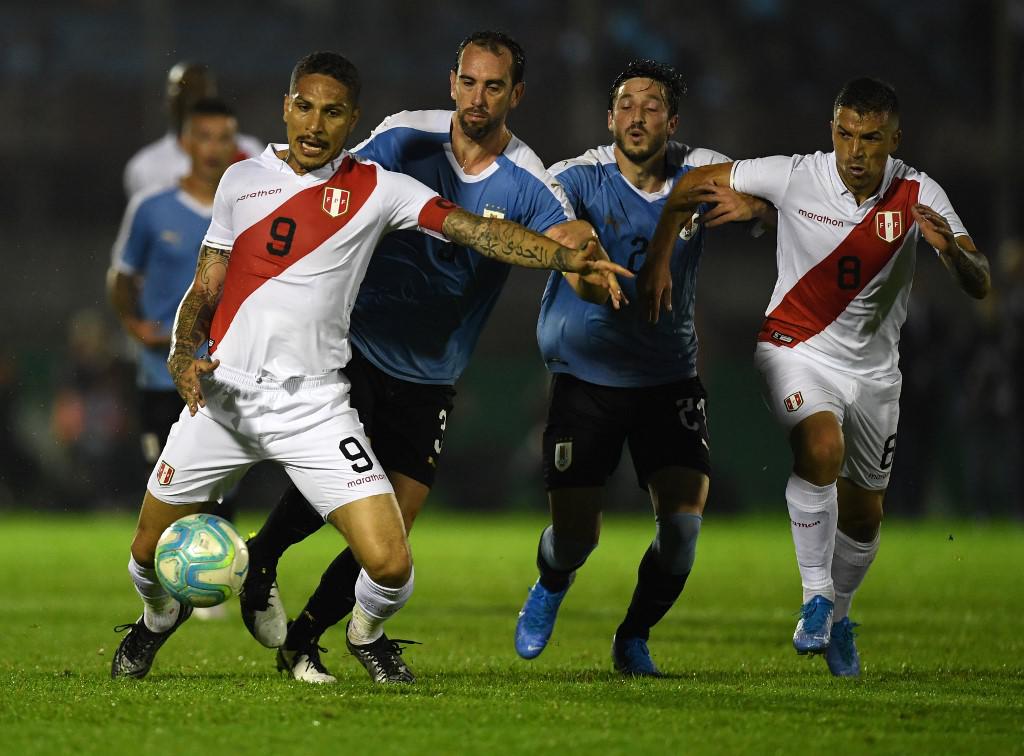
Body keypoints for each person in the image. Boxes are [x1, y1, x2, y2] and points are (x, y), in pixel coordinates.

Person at [109, 50, 628, 685]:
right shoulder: (241, 181)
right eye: (304, 106)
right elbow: (206, 283)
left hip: (315, 407)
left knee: (390, 564)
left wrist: (563, 258)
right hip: (224, 399)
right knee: (142, 554)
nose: (314, 124)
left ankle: (361, 633)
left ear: (353, 120)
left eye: (332, 112)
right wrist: (182, 350)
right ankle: (155, 621)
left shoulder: (381, 188)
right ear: (285, 106)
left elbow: (473, 231)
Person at [239, 31, 605, 683]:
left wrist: (585, 266)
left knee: (390, 536)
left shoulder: (528, 180)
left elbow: (563, 240)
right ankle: (262, 560)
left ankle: (304, 639)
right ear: (452, 82)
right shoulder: (406, 137)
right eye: (469, 81)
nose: (478, 97)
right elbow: (335, 186)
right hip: (355, 346)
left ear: (515, 95)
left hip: (433, 373)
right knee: (341, 493)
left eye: (494, 86)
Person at [643, 77, 989, 676]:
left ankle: (841, 617)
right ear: (832, 131)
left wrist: (953, 253)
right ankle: (815, 598)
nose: (855, 151)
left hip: (876, 375)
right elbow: (696, 184)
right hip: (793, 347)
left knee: (863, 516)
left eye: (871, 139)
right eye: (846, 135)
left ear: (894, 140)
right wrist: (661, 256)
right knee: (819, 446)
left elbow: (980, 278)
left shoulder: (917, 191)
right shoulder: (797, 173)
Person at [512, 59, 767, 677]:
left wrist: (755, 208)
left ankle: (633, 637)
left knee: (681, 534)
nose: (637, 115)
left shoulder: (701, 168)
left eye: (651, 105)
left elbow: (775, 190)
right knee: (576, 538)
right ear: (609, 117)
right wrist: (579, 256)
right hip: (584, 376)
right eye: (626, 104)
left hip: (668, 377)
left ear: (671, 121)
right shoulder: (575, 176)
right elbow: (546, 220)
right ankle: (550, 584)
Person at [110, 99, 244, 618]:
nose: (214, 149)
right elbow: (121, 276)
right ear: (186, 144)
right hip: (157, 369)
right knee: (163, 481)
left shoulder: (247, 204)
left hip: (222, 366)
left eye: (224, 138)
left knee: (220, 476)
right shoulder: (150, 207)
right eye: (204, 137)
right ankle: (171, 580)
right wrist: (131, 323)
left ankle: (212, 575)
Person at [123, 62, 264, 199]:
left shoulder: (251, 151)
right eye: (182, 90)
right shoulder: (145, 166)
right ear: (168, 101)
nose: (191, 98)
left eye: (199, 89)